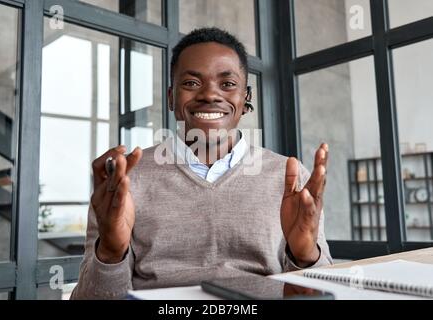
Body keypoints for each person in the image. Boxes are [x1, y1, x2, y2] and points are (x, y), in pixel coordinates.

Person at [71, 27, 332, 300]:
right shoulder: (124, 181)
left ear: (245, 99)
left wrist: (304, 258)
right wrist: (111, 254)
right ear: (171, 98)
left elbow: (323, 295)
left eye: (228, 84)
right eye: (191, 83)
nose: (209, 95)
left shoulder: (289, 178)